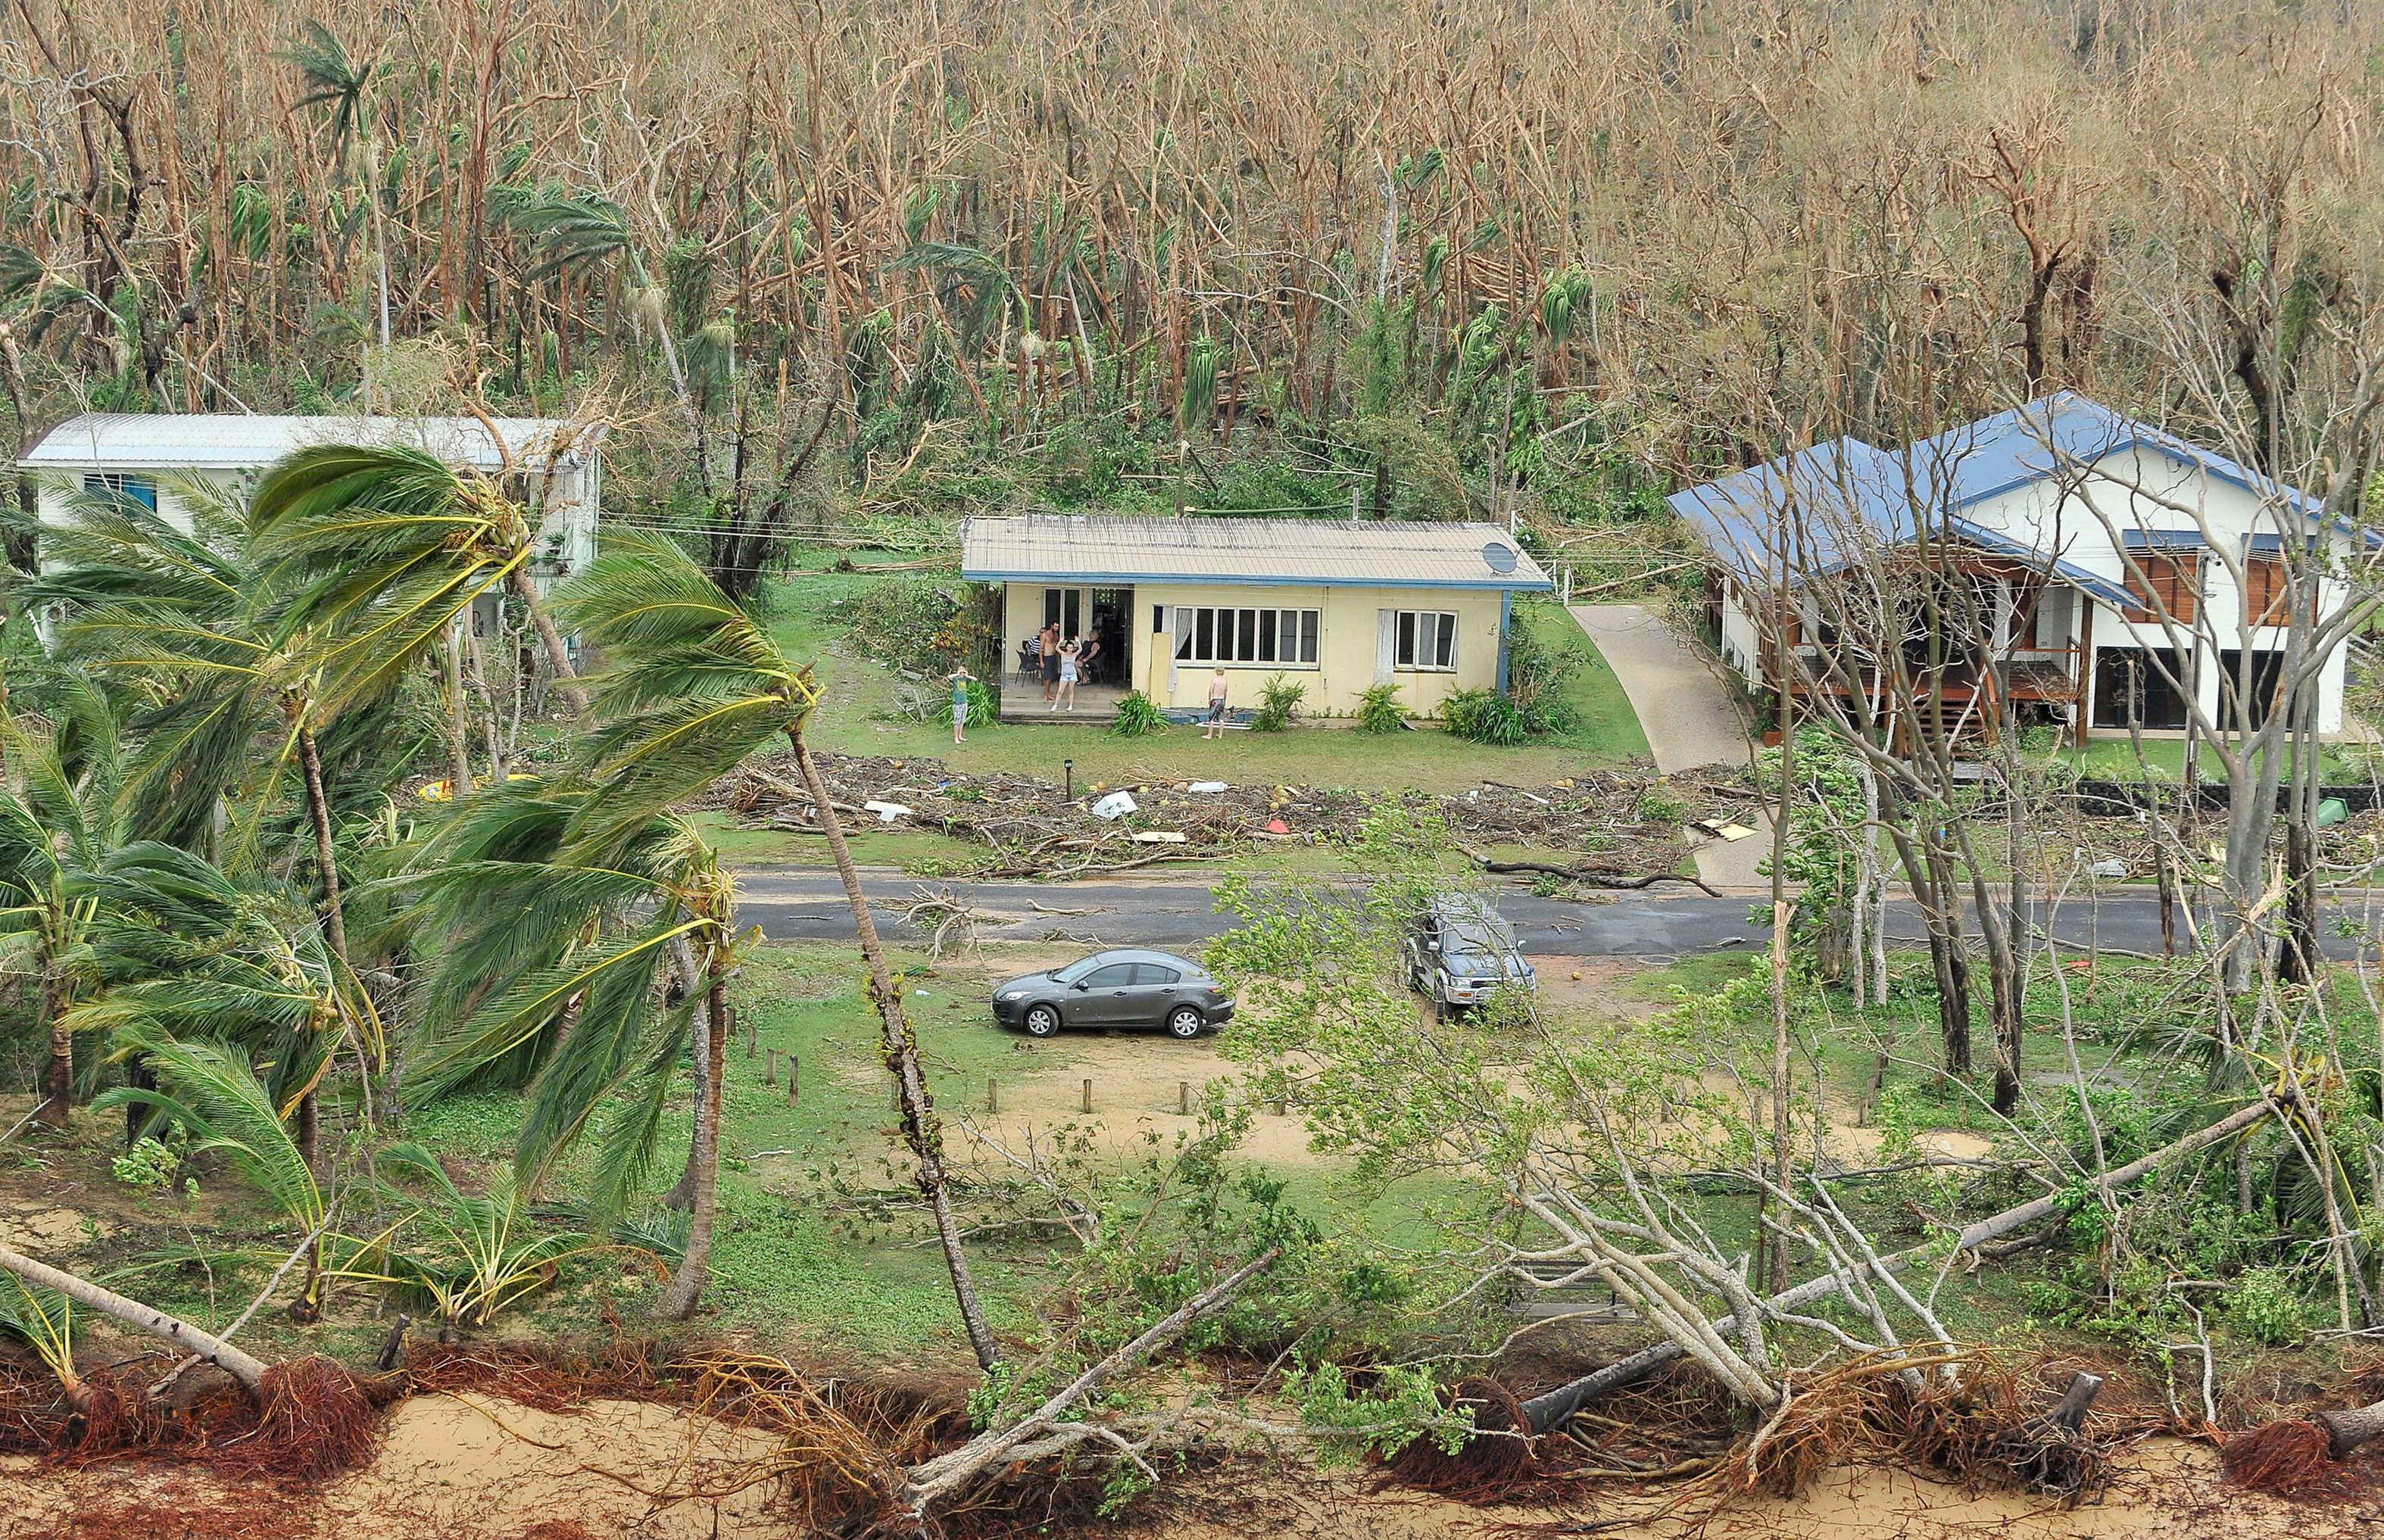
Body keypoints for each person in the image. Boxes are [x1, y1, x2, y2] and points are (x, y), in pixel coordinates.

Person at [948, 664, 975, 745]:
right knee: (957, 720)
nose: (962, 674)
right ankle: (956, 737)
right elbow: (949, 677)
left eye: (963, 673)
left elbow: (975, 679)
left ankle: (960, 736)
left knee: (962, 720)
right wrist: (958, 674)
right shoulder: (956, 679)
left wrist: (967, 675)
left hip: (964, 702)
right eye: (961, 673)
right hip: (957, 702)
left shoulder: (965, 679)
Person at [1054, 638, 1081, 711]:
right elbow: (1057, 648)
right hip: (1064, 675)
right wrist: (1060, 641)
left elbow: (1080, 650)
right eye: (1069, 647)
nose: (1070, 649)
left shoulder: (1074, 655)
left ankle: (1070, 705)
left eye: (1071, 648)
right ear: (1066, 648)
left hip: (1072, 674)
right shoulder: (1063, 654)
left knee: (1071, 691)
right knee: (1060, 691)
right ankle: (1055, 705)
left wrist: (1078, 642)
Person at [1039, 620, 1062, 704]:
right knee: (1047, 677)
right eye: (1055, 627)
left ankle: (1049, 694)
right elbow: (1041, 649)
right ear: (1052, 626)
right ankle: (1046, 695)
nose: (1056, 628)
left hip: (1054, 656)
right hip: (1047, 657)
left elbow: (1057, 646)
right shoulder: (1045, 635)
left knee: (1052, 677)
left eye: (1058, 627)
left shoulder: (1056, 635)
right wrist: (1041, 661)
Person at [1205, 665, 1229, 739]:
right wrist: (1224, 700)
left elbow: (1211, 691)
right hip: (1222, 699)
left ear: (1216, 671)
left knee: (1211, 718)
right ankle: (1220, 735)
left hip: (1215, 700)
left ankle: (1209, 735)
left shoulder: (1215, 680)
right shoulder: (1225, 681)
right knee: (1221, 718)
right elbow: (1225, 692)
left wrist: (1209, 699)